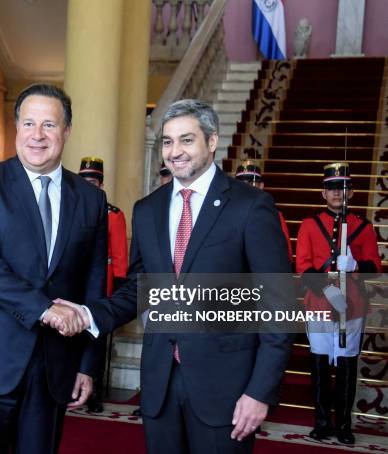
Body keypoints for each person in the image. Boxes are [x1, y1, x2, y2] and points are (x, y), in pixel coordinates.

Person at [53, 99, 293, 454]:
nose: (174, 151)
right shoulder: (147, 210)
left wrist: (260, 391)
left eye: (186, 140)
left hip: (226, 388)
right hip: (160, 385)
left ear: (211, 142)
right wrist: (88, 315)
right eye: (167, 141)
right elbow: (138, 290)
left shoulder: (250, 206)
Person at [0, 84, 107, 454]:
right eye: (29, 123)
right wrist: (45, 309)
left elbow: (93, 285)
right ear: (16, 128)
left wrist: (88, 364)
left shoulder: (91, 198)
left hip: (54, 367)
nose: (37, 135)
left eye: (49, 124)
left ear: (67, 131)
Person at [296, 163, 381, 444]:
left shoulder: (364, 227)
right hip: (319, 303)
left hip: (352, 305)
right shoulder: (310, 224)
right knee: (319, 364)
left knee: (346, 365)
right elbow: (303, 267)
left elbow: (375, 268)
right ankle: (322, 422)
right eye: (332, 188)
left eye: (343, 188)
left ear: (352, 192)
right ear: (323, 193)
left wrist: (355, 265)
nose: (337, 193)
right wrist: (327, 290)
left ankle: (344, 425)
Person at [78, 156, 128, 412]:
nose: (89, 185)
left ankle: (94, 390)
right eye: (85, 180)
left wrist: (117, 294)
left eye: (93, 181)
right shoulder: (70, 209)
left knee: (95, 340)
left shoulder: (113, 215)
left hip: (101, 286)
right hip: (73, 285)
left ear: (101, 184)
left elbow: (119, 255)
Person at [234, 160, 293, 261]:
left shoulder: (274, 216)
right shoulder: (226, 214)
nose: (245, 187)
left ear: (261, 186)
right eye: (240, 183)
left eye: (251, 182)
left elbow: (286, 254)